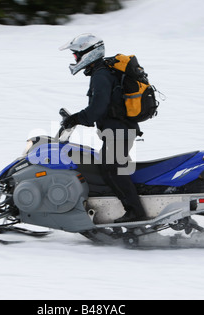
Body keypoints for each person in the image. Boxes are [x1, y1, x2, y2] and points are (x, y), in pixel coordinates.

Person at [59, 33, 147, 223]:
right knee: (111, 167)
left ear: (89, 53)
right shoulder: (104, 71)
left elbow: (97, 110)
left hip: (119, 131)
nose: (75, 59)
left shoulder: (101, 75)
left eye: (76, 55)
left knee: (112, 169)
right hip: (119, 130)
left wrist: (75, 119)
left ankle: (136, 213)